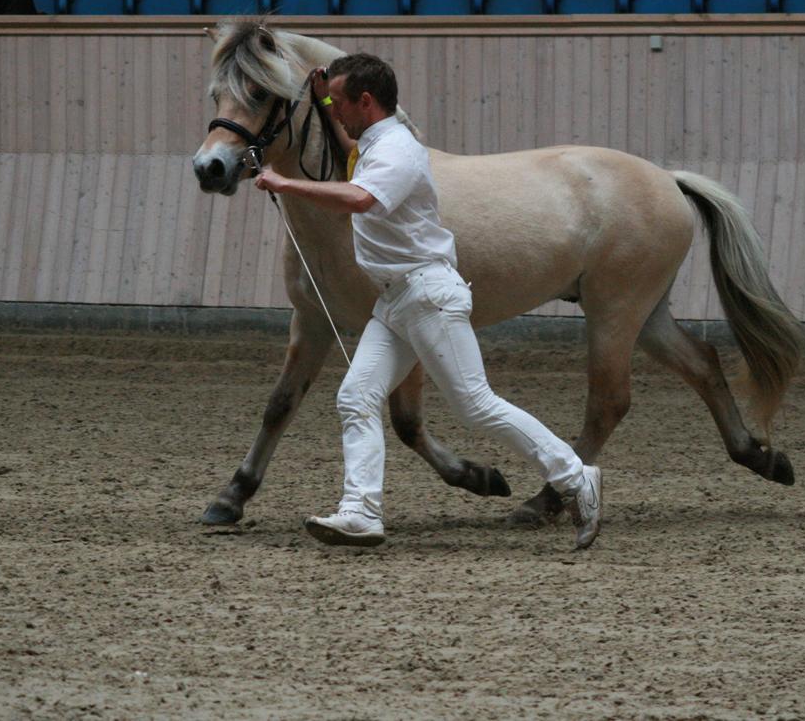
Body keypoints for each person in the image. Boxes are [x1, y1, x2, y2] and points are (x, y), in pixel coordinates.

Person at [254, 54, 602, 550]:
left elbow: (360, 199)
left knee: (477, 406)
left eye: (341, 103)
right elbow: (350, 146)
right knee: (356, 397)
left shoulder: (397, 149)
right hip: (396, 300)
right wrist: (322, 93)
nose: (336, 112)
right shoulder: (375, 139)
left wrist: (284, 183)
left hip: (426, 295)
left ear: (367, 102)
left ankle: (574, 476)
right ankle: (361, 512)